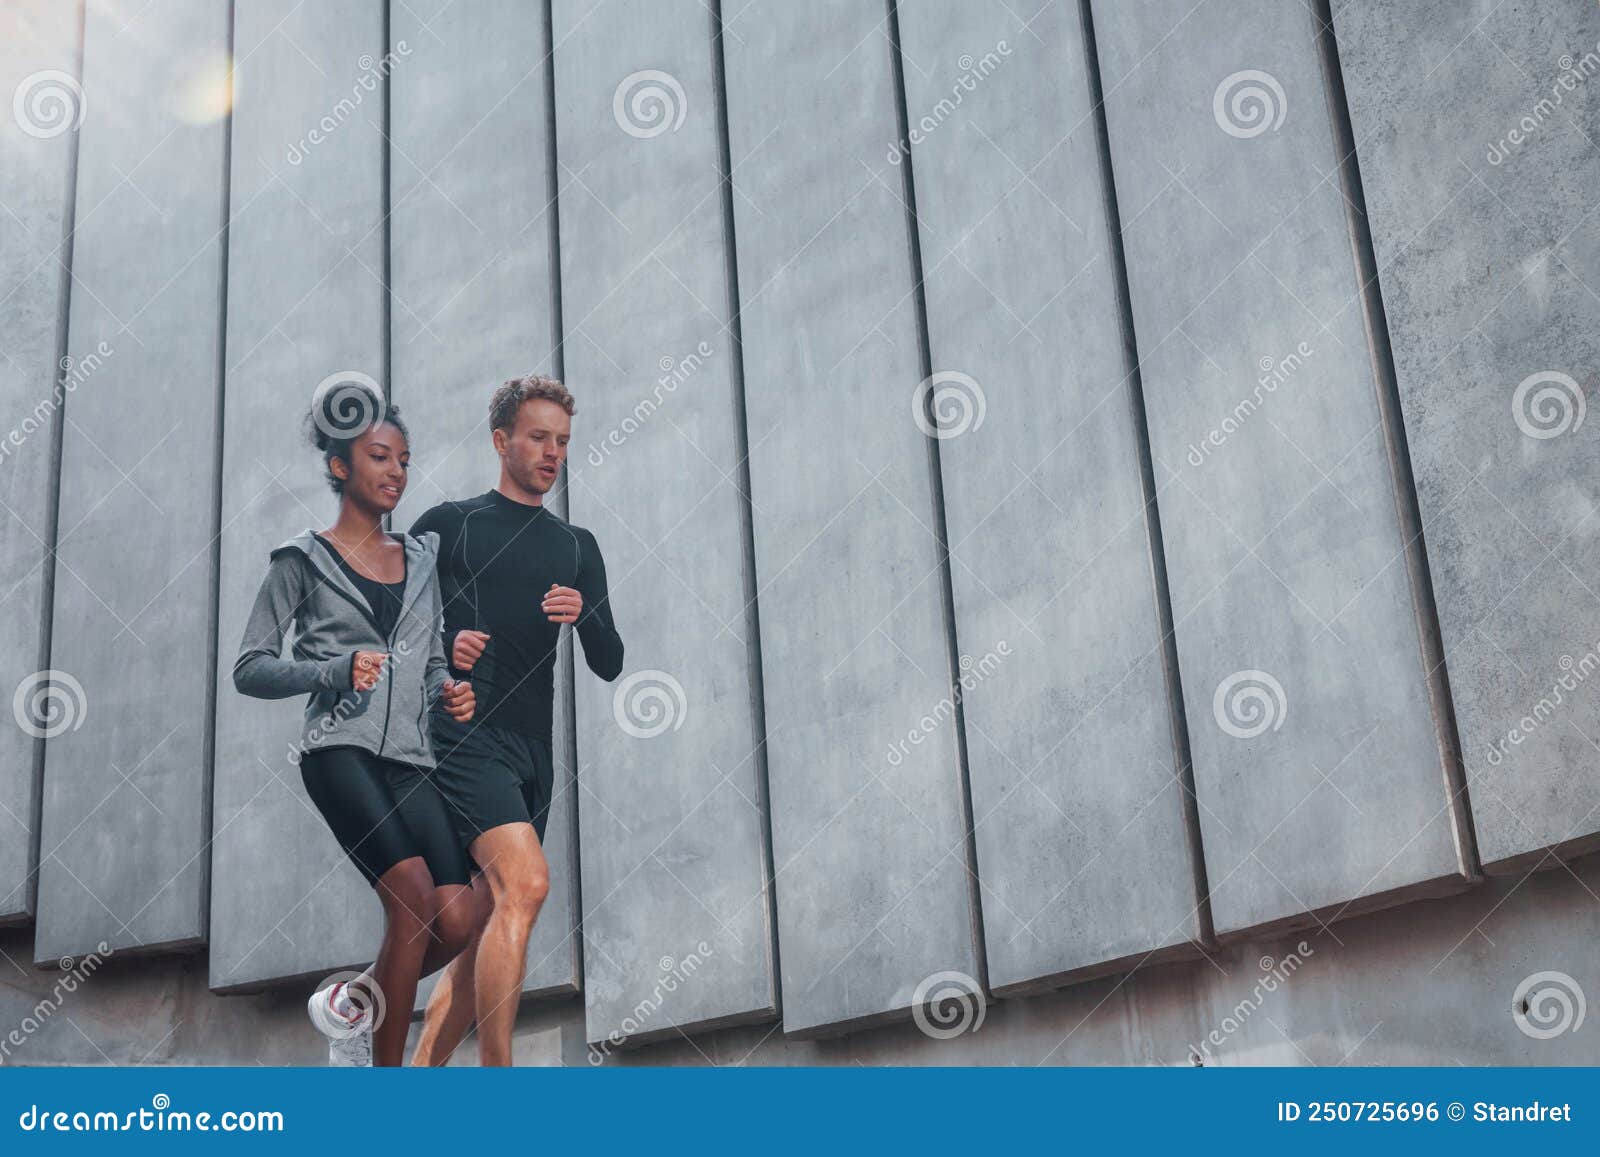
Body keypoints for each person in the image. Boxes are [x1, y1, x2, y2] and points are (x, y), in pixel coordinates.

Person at [233, 385, 479, 1066]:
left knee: (459, 916)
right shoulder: (300, 560)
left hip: (410, 755)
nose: (397, 471)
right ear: (340, 467)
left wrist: (449, 691)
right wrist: (333, 670)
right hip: (336, 749)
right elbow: (250, 667)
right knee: (412, 904)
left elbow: (430, 662)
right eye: (379, 456)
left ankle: (356, 1006)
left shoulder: (423, 560)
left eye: (404, 459)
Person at [408, 374, 623, 1066]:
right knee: (527, 884)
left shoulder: (576, 546)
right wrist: (444, 649)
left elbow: (611, 660)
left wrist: (582, 611)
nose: (553, 452)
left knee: (493, 920)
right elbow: (391, 628)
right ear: (502, 441)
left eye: (562, 440)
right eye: (538, 437)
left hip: (534, 751)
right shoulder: (449, 524)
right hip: (463, 733)